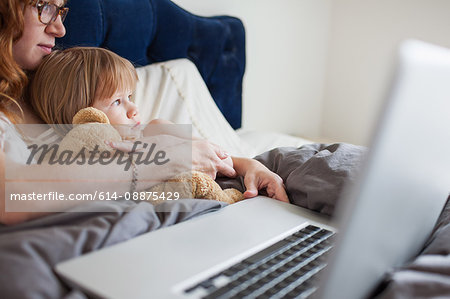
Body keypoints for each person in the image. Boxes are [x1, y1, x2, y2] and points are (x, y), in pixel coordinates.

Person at [0, 0, 287, 225]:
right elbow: (11, 196)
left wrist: (247, 164)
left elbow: (197, 153)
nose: (60, 29)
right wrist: (166, 158)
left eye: (60, 10)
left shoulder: (37, 81)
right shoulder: (62, 98)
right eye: (44, 6)